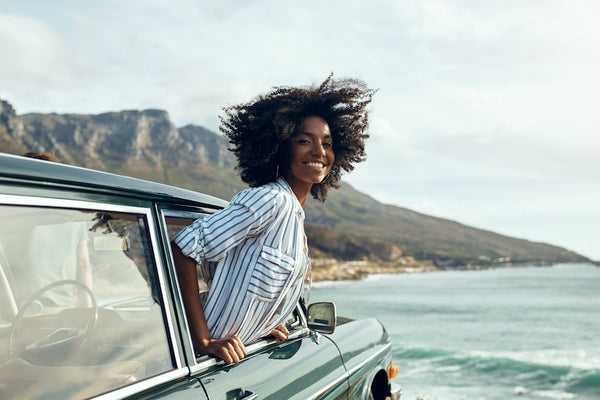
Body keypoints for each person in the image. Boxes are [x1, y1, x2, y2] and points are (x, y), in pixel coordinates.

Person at [172, 75, 375, 364]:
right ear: (280, 146)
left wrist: (266, 322)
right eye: (304, 140)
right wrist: (203, 340)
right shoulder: (272, 200)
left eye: (327, 143)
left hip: (233, 361)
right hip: (199, 364)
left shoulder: (294, 217)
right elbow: (184, 247)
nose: (319, 151)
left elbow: (246, 280)